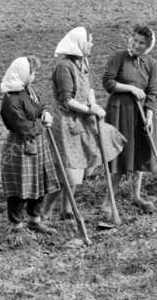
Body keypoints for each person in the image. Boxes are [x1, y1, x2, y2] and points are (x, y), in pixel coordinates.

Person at [50, 26, 125, 225]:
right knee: (70, 170)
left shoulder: (83, 62)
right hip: (67, 121)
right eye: (90, 41)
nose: (92, 45)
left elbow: (89, 87)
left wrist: (93, 104)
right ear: (80, 43)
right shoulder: (64, 67)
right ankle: (47, 212)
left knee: (79, 166)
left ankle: (66, 210)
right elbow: (67, 101)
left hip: (82, 116)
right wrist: (90, 110)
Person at [0, 55, 61, 234]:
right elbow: (23, 127)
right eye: (32, 73)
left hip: (37, 143)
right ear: (22, 73)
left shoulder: (28, 90)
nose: (34, 76)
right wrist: (42, 124)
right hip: (20, 147)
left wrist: (46, 112)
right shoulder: (10, 99)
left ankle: (35, 220)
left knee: (39, 182)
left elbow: (40, 106)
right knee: (19, 188)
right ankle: (17, 226)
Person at [102, 24, 157, 213]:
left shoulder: (151, 64)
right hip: (120, 112)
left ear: (148, 46)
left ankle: (136, 195)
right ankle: (108, 201)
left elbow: (152, 92)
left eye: (142, 43)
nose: (136, 44)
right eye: (135, 40)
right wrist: (131, 88)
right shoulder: (118, 58)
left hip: (141, 115)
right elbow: (108, 82)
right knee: (119, 154)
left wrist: (149, 116)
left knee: (140, 152)